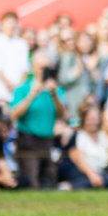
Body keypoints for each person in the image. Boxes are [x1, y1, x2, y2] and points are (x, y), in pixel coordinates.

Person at [10, 50, 67, 189]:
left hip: (47, 141)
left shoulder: (56, 89)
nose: (44, 71)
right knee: (31, 180)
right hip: (28, 140)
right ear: (33, 68)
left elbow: (62, 114)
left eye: (47, 68)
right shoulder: (23, 89)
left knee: (49, 179)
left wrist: (54, 95)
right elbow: (13, 115)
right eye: (42, 67)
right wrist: (31, 96)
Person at [0, 11, 30, 103]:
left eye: (14, 22)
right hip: (1, 91)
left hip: (19, 92)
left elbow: (25, 68)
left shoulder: (22, 43)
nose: (11, 25)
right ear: (2, 24)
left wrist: (19, 86)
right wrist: (8, 84)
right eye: (8, 22)